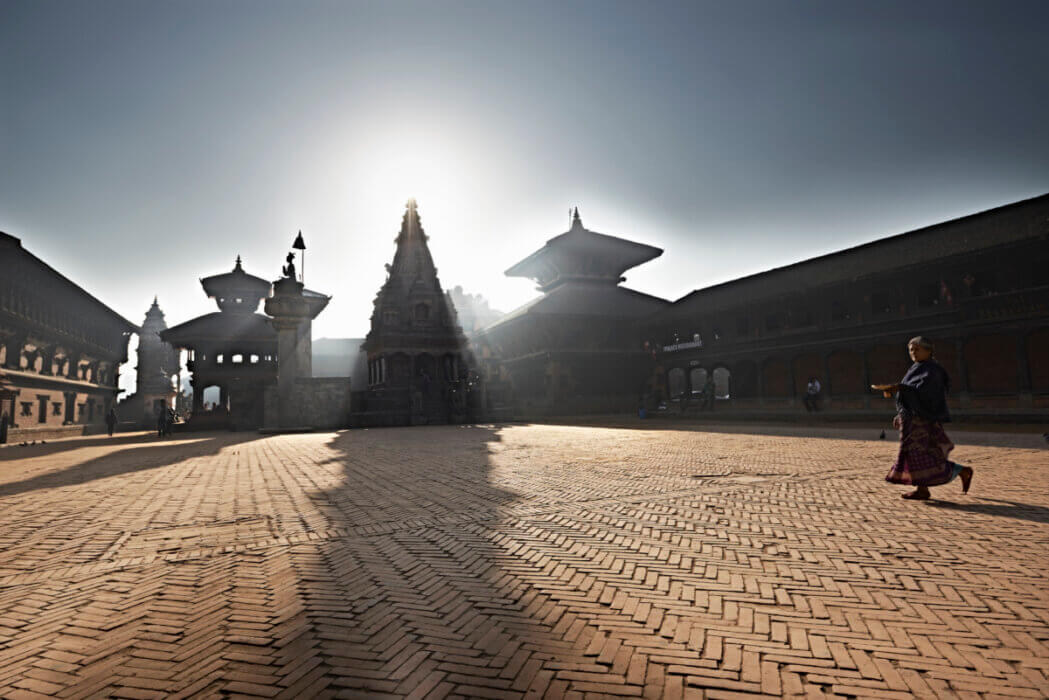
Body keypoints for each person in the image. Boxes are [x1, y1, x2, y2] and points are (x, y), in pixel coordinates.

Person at [874, 336, 973, 500]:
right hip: (911, 420)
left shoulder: (933, 370)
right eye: (911, 350)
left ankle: (961, 471)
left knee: (923, 456)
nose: (913, 353)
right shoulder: (915, 368)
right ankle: (923, 489)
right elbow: (910, 393)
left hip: (923, 421)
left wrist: (900, 388)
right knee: (915, 456)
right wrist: (901, 412)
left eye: (917, 349)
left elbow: (926, 395)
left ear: (928, 350)